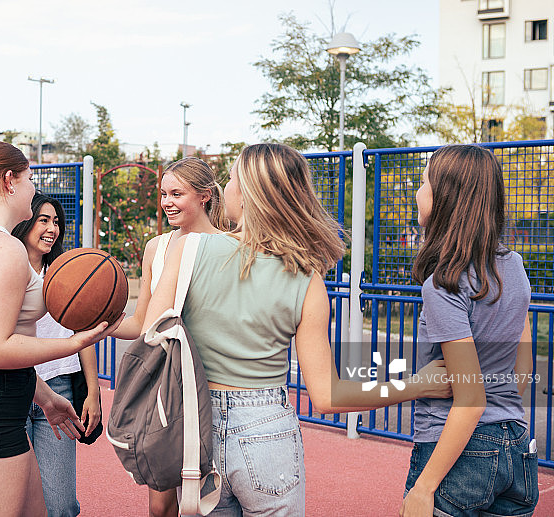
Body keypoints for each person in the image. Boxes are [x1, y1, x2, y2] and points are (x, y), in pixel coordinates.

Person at [141, 143, 451, 517]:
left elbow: (150, 336)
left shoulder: (188, 249)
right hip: (267, 426)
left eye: (233, 177)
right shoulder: (306, 278)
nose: (227, 186)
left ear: (249, 192)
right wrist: (416, 384)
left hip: (199, 429)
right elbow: (327, 396)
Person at [0, 140, 121, 517]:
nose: (33, 188)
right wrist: (74, 342)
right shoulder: (2, 248)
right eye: (30, 179)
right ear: (9, 181)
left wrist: (46, 399)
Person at [401, 144, 538, 517]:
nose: (418, 191)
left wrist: (424, 488)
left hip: (458, 454)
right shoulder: (515, 268)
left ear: (446, 197)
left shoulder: (444, 283)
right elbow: (521, 372)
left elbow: (471, 399)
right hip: (516, 447)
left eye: (424, 182)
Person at [113, 156, 229, 517]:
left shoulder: (229, 247)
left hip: (214, 381)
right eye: (163, 193)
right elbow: (141, 324)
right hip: (169, 383)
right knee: (161, 500)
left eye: (177, 193)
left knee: (207, 499)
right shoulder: (157, 248)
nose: (166, 202)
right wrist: (93, 321)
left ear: (205, 195)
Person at [11, 192, 101, 517]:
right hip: (14, 389)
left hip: (59, 388)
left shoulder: (66, 274)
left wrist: (93, 391)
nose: (53, 228)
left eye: (57, 222)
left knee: (61, 506)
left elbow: (82, 335)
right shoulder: (8, 270)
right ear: (25, 223)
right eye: (43, 220)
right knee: (17, 503)